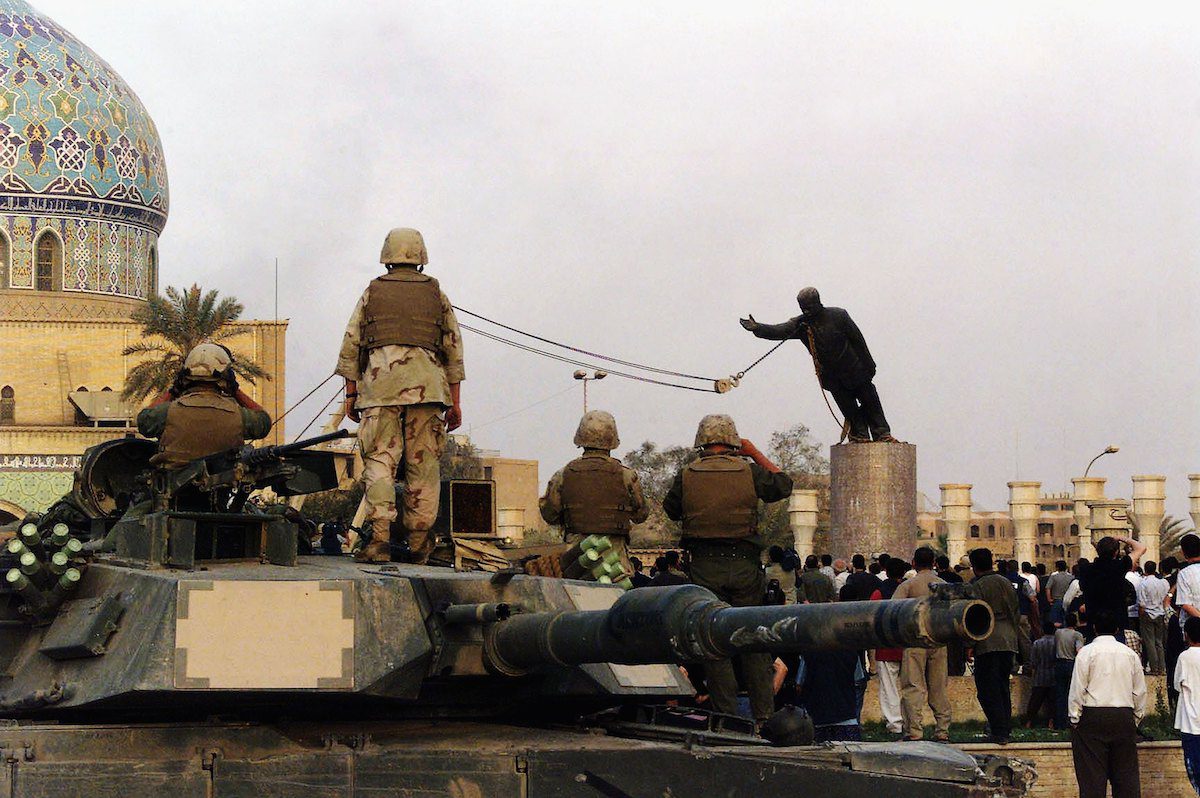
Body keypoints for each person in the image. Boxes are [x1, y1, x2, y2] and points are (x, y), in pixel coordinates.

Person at [336, 228, 465, 564]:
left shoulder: (372, 292)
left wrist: (351, 394)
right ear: (421, 256)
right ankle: (420, 543)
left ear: (387, 255)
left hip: (380, 390)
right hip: (428, 391)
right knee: (424, 466)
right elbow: (453, 351)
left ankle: (378, 541)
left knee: (380, 462)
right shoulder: (437, 295)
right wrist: (455, 400)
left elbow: (351, 345)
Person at [662, 414, 793, 723]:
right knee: (752, 640)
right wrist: (754, 452)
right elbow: (784, 485)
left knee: (712, 643)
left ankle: (728, 721)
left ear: (701, 442)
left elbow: (671, 510)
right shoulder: (749, 472)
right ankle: (763, 719)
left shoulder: (686, 474)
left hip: (704, 569)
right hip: (745, 568)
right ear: (734, 442)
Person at [739, 287, 894, 443]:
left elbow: (858, 341)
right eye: (802, 308)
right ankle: (860, 436)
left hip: (856, 370)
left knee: (871, 403)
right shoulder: (801, 324)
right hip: (833, 379)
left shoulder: (839, 316)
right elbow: (779, 330)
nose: (806, 311)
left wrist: (869, 365)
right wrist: (758, 328)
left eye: (809, 307)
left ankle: (882, 434)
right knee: (850, 411)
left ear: (818, 302)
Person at [539, 410, 649, 576]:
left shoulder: (563, 475)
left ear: (581, 438)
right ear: (612, 439)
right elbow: (641, 515)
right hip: (615, 562)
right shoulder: (626, 475)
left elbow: (549, 514)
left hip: (575, 561)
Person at [137, 343, 272, 470]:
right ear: (227, 377)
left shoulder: (168, 413)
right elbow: (263, 421)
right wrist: (235, 390)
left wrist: (173, 391)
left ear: (185, 375)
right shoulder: (239, 416)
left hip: (173, 491)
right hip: (222, 491)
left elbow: (144, 420)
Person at [1068, 610, 1147, 798]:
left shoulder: (1086, 653)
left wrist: (1074, 717)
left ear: (1094, 628)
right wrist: (1135, 719)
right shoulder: (1130, 654)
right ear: (1117, 629)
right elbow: (1140, 691)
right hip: (1124, 716)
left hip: (1092, 717)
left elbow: (1077, 688)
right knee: (1126, 778)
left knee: (1092, 779)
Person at [895, 546, 950, 741]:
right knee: (939, 686)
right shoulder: (943, 584)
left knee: (913, 686)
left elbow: (894, 611)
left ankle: (914, 731)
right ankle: (942, 730)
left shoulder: (908, 585)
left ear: (913, 563)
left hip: (914, 640)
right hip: (939, 641)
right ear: (934, 563)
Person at [970, 547, 1019, 743]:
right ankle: (1004, 728)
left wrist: (969, 644)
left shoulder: (978, 586)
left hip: (988, 641)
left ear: (974, 566)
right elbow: (1015, 611)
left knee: (987, 689)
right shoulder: (1005, 582)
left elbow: (973, 616)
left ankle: (998, 730)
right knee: (1002, 687)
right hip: (1007, 640)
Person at [870, 558, 908, 736]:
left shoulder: (879, 592)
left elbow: (871, 616)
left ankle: (894, 724)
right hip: (907, 645)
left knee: (889, 687)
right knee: (911, 686)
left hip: (886, 646)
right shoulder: (908, 590)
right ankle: (911, 721)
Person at [1080, 535, 1145, 633]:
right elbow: (1141, 548)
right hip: (1117, 620)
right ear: (1116, 552)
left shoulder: (1086, 569)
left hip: (1094, 621)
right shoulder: (1120, 566)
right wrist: (1122, 538)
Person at [799, 649, 863, 743]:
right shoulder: (851, 652)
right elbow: (858, 680)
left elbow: (799, 683)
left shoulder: (808, 653)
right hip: (847, 719)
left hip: (817, 720)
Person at [1174, 616, 1200, 794]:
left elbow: (1177, 685)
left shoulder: (1184, 657)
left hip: (1191, 723)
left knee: (1195, 770)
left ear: (1187, 635)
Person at [1054, 612, 1086, 730]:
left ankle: (1059, 723)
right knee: (1071, 694)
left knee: (1059, 694)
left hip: (1058, 664)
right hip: (1070, 664)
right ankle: (1070, 721)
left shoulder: (1058, 633)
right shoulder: (1077, 635)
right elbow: (1079, 650)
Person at [1137, 560, 1169, 675]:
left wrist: (1140, 616)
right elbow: (1166, 595)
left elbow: (1141, 604)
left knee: (1150, 642)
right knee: (1159, 642)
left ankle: (1154, 668)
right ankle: (1162, 667)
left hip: (1148, 613)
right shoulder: (1163, 583)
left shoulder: (1143, 583)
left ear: (1145, 570)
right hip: (1160, 613)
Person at [1025, 620, 1058, 728]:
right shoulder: (1057, 643)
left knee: (1035, 701)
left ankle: (1029, 722)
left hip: (1040, 676)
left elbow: (1033, 662)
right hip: (1053, 676)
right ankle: (1051, 722)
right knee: (1052, 702)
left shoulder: (1037, 643)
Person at [1045, 560, 1075, 626]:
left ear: (1057, 568)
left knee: (1055, 622)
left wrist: (1049, 599)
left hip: (1056, 600)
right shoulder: (1071, 577)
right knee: (1067, 621)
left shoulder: (1054, 577)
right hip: (1068, 601)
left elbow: (1048, 588)